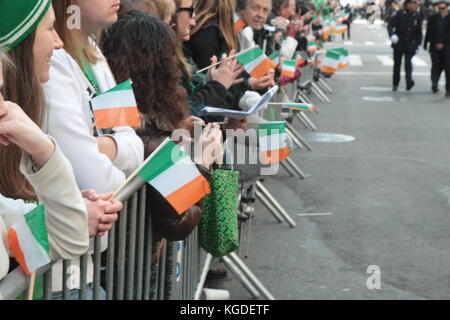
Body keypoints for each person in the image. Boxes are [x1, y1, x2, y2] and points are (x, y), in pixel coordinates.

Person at [40, 0, 143, 299]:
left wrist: (104, 145)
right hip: (55, 275)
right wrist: (116, 146)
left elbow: (132, 138)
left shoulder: (93, 53)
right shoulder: (55, 60)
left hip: (80, 264)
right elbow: (99, 183)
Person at [387, 0, 423, 91]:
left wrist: (418, 44)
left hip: (410, 44)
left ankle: (409, 81)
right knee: (397, 65)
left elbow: (419, 31)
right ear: (408, 4)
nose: (415, 5)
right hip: (399, 43)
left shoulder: (417, 15)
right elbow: (390, 25)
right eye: (413, 3)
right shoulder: (399, 14)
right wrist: (392, 35)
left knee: (408, 62)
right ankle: (395, 84)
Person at [424, 0, 449, 93]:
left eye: (443, 8)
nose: (441, 10)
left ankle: (448, 88)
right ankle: (434, 82)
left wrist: (443, 43)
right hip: (434, 46)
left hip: (447, 47)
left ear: (447, 8)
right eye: (439, 8)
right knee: (436, 65)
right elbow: (429, 31)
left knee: (447, 67)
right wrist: (425, 43)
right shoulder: (433, 18)